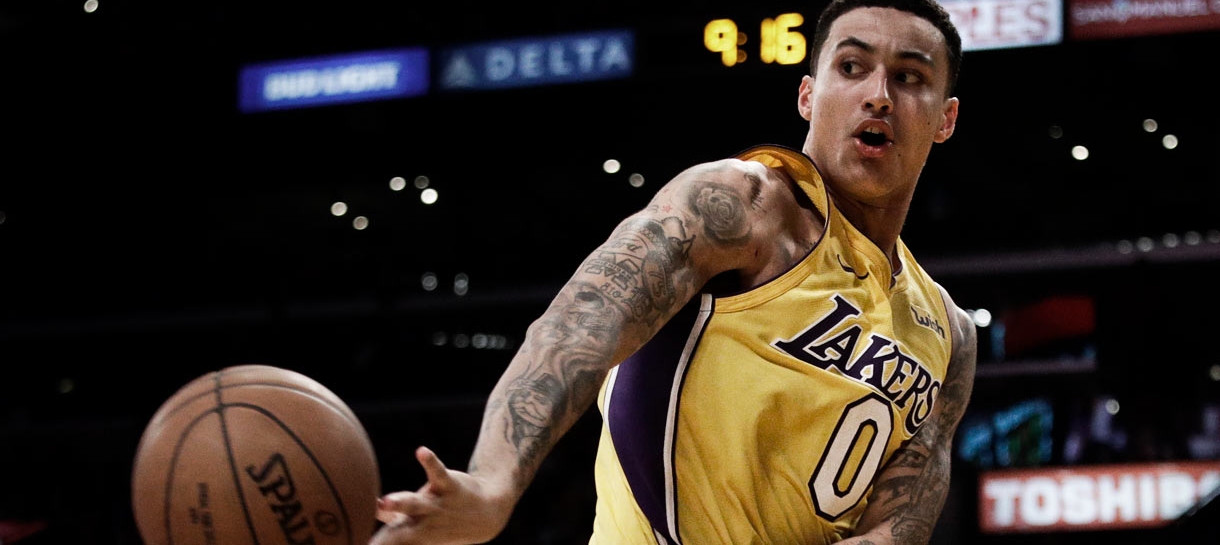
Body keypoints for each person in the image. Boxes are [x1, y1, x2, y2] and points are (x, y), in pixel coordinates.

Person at [371, 0, 977, 542]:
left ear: (945, 119)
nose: (878, 95)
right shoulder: (741, 205)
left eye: (909, 77)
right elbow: (580, 325)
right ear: (807, 96)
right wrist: (492, 485)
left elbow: (902, 521)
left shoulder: (950, 335)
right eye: (851, 67)